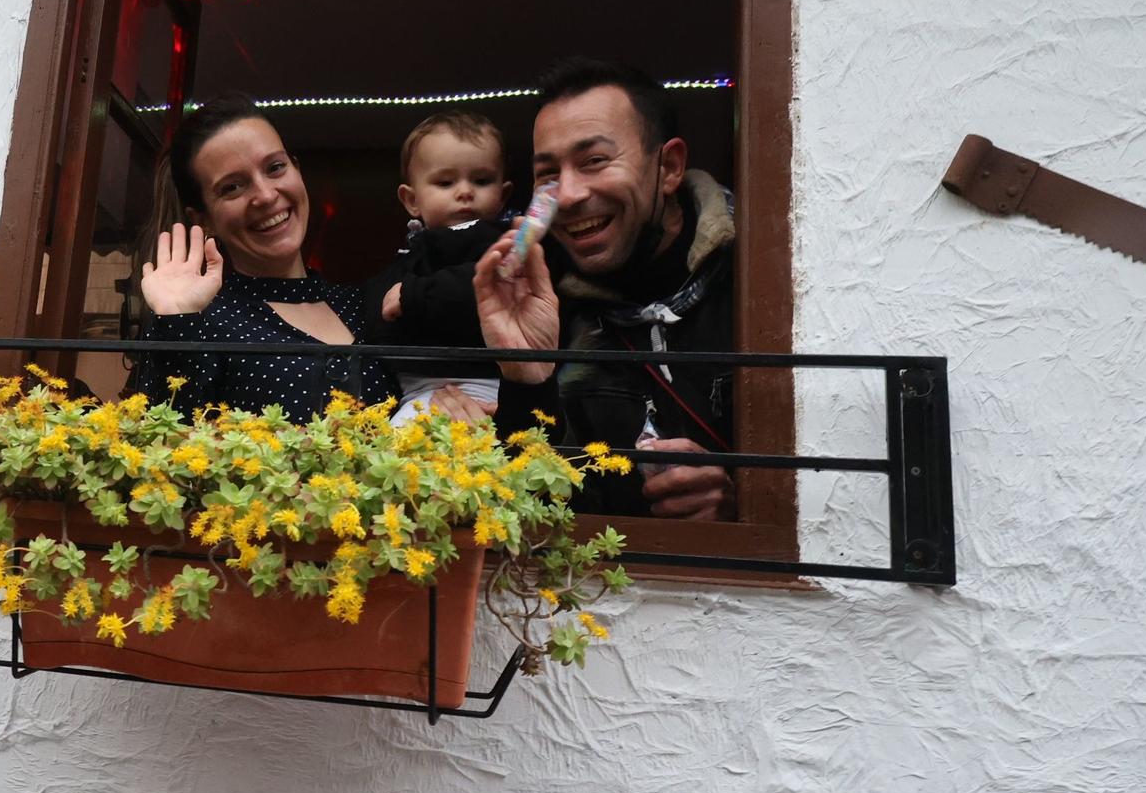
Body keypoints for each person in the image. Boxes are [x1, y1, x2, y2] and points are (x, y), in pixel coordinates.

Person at [138, 99, 558, 424]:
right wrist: (176, 321)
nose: (266, 195)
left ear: (298, 172)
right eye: (232, 187)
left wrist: (470, 413)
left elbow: (519, 423)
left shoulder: (367, 303)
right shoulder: (202, 319)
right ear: (203, 219)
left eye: (275, 167)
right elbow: (162, 460)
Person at [530, 57, 736, 521]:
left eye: (594, 161)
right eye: (547, 175)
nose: (566, 195)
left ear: (669, 167)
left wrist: (747, 505)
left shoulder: (769, 283)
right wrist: (523, 378)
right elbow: (535, 509)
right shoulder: (542, 306)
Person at [364, 110, 517, 422]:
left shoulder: (503, 245)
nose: (465, 191)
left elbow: (486, 285)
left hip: (488, 388)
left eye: (482, 180)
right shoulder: (412, 255)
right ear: (411, 199)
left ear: (503, 195)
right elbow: (381, 311)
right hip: (416, 393)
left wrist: (415, 297)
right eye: (446, 182)